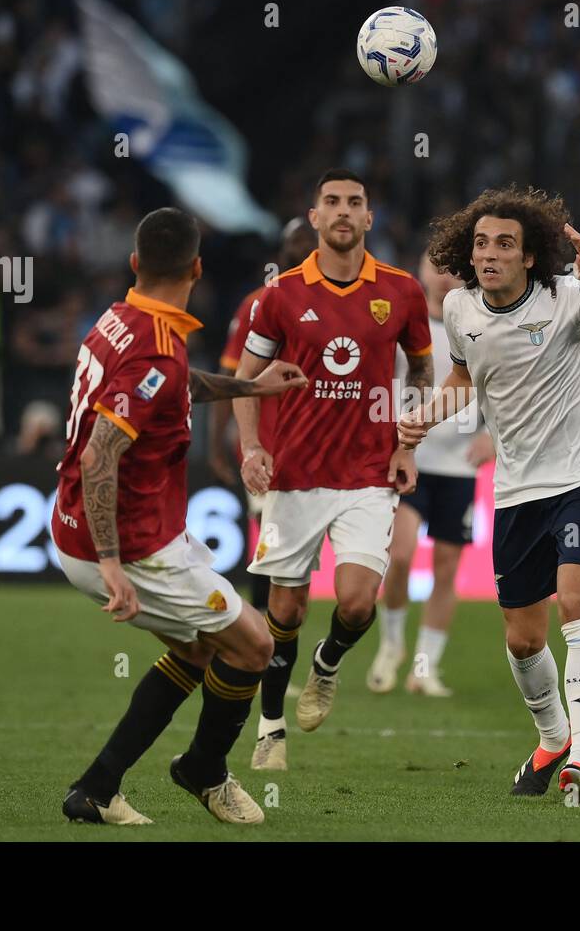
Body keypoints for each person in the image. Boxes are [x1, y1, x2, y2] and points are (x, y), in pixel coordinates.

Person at [399, 186, 580, 805]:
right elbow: (465, 380)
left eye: (504, 244)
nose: (489, 253)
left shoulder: (571, 298)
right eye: (480, 243)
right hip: (517, 488)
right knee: (523, 639)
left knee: (578, 600)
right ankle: (552, 737)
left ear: (529, 257)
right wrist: (425, 418)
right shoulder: (462, 310)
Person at [51, 208, 307, 826]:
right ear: (197, 267)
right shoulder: (156, 354)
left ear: (136, 264)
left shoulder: (121, 319)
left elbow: (174, 386)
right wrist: (114, 565)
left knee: (198, 651)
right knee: (254, 646)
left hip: (91, 531)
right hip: (129, 549)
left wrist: (253, 387)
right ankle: (204, 769)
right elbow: (99, 454)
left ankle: (97, 787)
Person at [232, 169, 432, 772]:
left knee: (355, 604)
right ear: (314, 218)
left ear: (369, 219)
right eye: (331, 202)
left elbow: (420, 373)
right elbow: (246, 377)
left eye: (355, 203)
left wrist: (407, 444)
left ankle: (327, 664)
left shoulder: (401, 292)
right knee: (284, 612)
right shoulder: (282, 294)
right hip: (294, 474)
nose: (344, 211)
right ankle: (270, 728)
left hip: (368, 475)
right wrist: (250, 448)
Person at [367, 254, 495, 697]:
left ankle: (425, 667)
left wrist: (492, 437)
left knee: (445, 570)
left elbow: (501, 386)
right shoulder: (404, 321)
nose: (444, 277)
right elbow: (381, 384)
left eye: (453, 269)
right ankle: (392, 645)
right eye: (435, 266)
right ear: (420, 270)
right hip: (409, 459)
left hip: (459, 465)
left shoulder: (479, 321)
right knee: (399, 555)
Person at [212, 217, 318, 612]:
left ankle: (268, 648)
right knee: (274, 550)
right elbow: (231, 378)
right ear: (281, 252)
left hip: (319, 453)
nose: (305, 246)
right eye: (297, 240)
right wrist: (221, 443)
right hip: (268, 449)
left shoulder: (341, 307)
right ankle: (261, 648)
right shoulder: (258, 303)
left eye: (311, 239)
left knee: (295, 566)